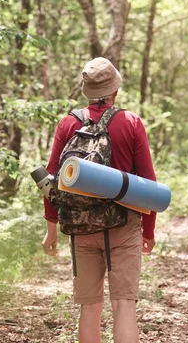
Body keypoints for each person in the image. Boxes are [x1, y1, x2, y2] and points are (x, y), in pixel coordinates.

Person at [41, 57, 157, 343]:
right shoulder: (130, 122)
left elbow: (52, 180)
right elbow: (148, 182)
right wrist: (149, 231)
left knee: (90, 308)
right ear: (115, 90)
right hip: (124, 226)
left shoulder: (68, 123)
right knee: (124, 305)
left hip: (81, 229)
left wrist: (51, 230)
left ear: (86, 90)